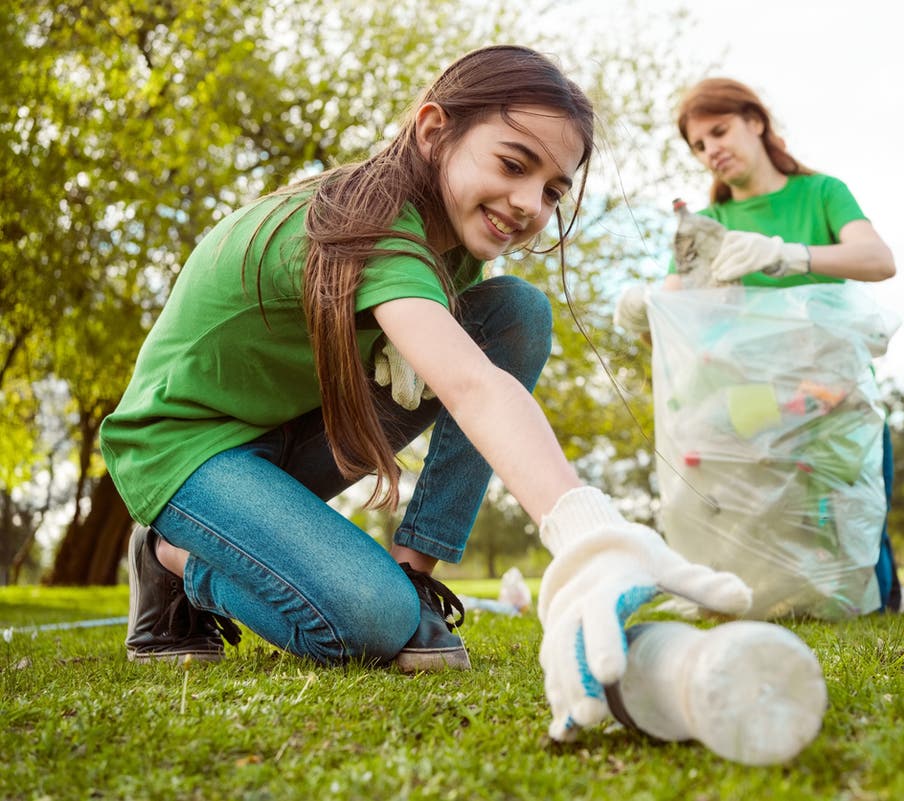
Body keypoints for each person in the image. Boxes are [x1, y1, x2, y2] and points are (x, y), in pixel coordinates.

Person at [100, 46, 751, 741]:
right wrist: (587, 533)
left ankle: (412, 573)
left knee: (516, 313)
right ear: (435, 129)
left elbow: (485, 367)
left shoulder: (458, 248)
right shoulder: (367, 221)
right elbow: (473, 388)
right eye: (512, 163)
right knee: (369, 622)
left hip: (289, 431)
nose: (530, 204)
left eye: (555, 189)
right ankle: (174, 557)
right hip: (187, 447)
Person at [621, 77, 901, 611]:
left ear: (756, 121)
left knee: (854, 523)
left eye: (720, 132)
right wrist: (645, 307)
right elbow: (680, 325)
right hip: (753, 407)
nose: (711, 152)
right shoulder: (709, 226)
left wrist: (789, 255)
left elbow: (878, 260)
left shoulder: (821, 194)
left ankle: (872, 599)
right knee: (762, 525)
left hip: (833, 396)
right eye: (699, 146)